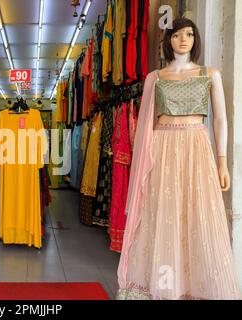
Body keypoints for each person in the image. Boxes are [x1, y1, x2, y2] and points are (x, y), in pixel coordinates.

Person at [117, 18, 241, 300]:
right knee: (163, 213)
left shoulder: (210, 74)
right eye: (176, 35)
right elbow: (147, 122)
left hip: (196, 147)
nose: (183, 39)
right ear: (168, 40)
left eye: (189, 34)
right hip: (161, 148)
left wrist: (223, 161)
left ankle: (195, 287)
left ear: (196, 38)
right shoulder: (155, 78)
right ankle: (162, 287)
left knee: (197, 214)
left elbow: (221, 120)